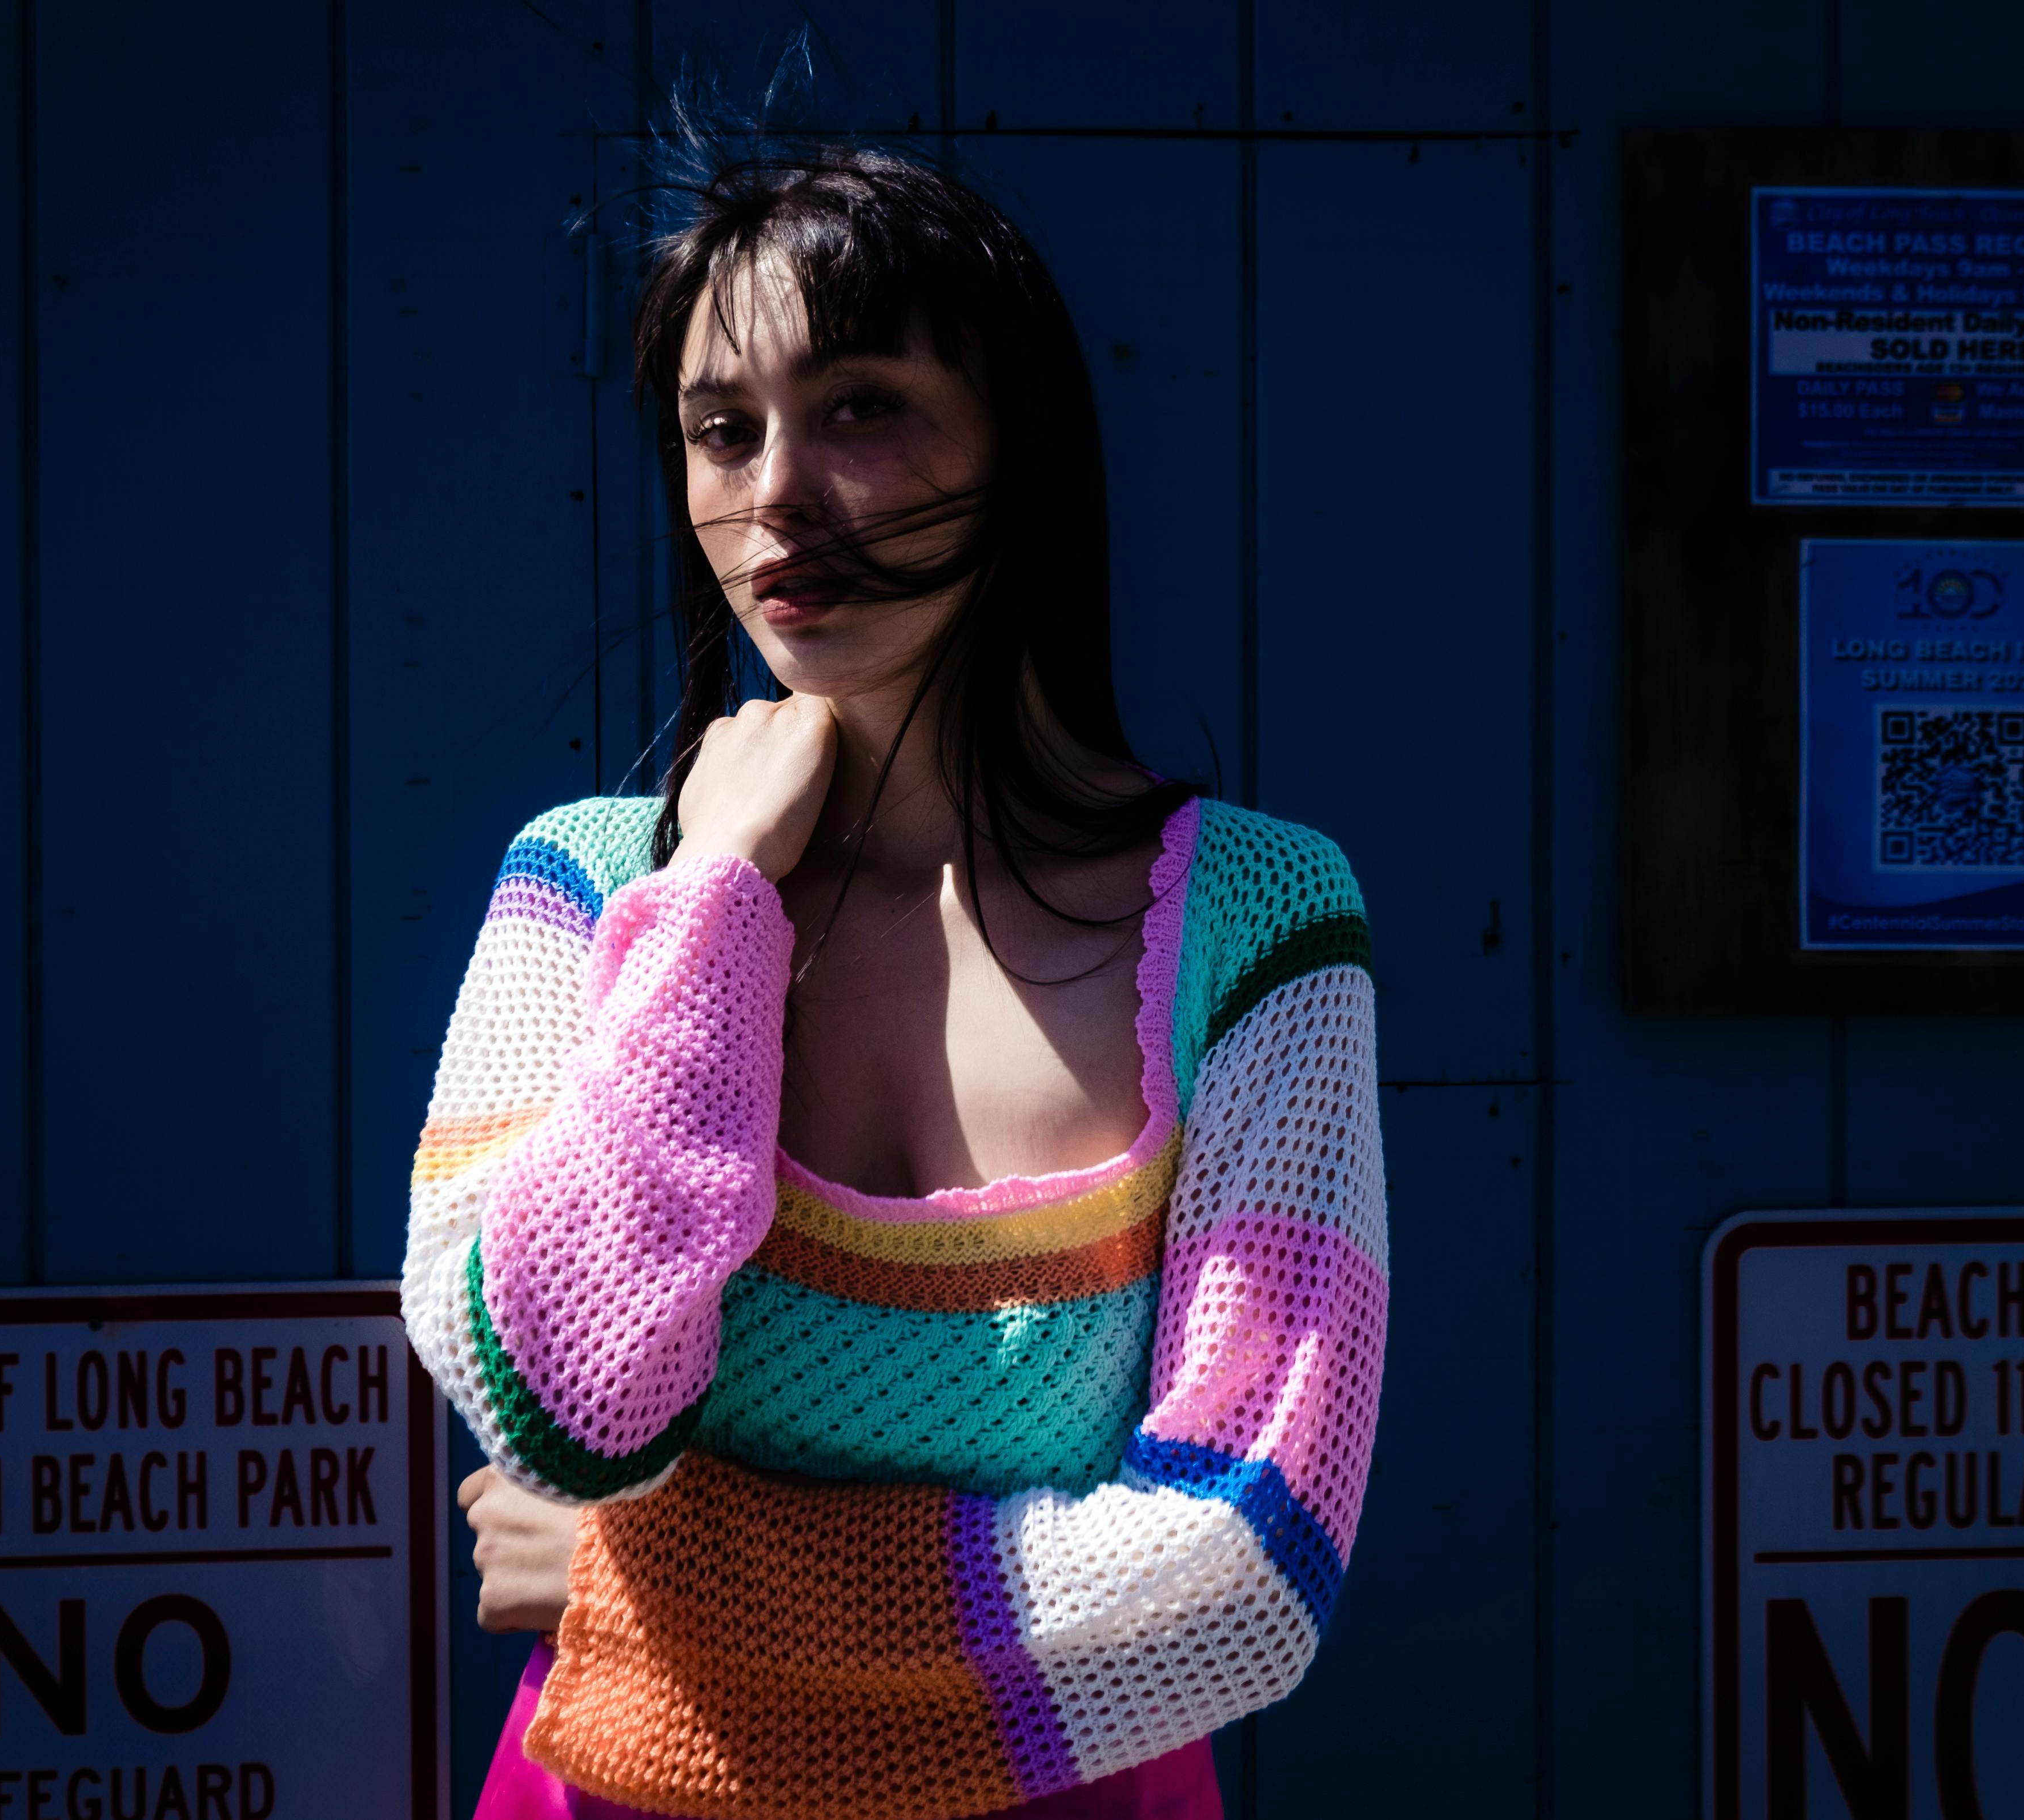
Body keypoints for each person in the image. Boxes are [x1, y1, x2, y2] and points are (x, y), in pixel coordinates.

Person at [401, 141, 1388, 1820]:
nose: (778, 487)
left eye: (863, 405)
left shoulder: (1261, 920)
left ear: (1025, 452)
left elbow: (1250, 1562)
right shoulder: (585, 886)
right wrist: (711, 901)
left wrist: (653, 1584)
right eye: (723, 429)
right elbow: (553, 1396)